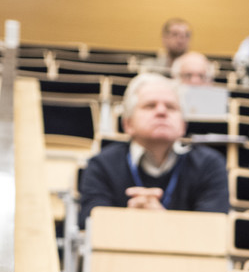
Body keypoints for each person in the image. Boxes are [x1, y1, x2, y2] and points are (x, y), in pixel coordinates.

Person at [78, 73, 229, 227]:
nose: (161, 112)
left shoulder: (209, 165)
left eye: (171, 107)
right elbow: (89, 226)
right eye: (150, 106)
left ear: (183, 126)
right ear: (128, 124)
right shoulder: (102, 165)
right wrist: (131, 221)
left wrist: (161, 221)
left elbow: (213, 230)